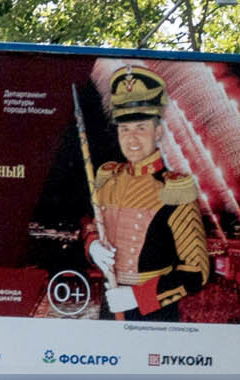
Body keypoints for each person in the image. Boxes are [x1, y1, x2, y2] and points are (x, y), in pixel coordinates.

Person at [84, 65, 210, 321]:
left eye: (141, 128)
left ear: (158, 131)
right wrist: (92, 246)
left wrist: (136, 297)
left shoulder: (175, 188)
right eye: (125, 129)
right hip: (111, 305)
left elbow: (196, 271)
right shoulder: (108, 178)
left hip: (155, 314)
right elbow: (90, 226)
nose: (131, 139)